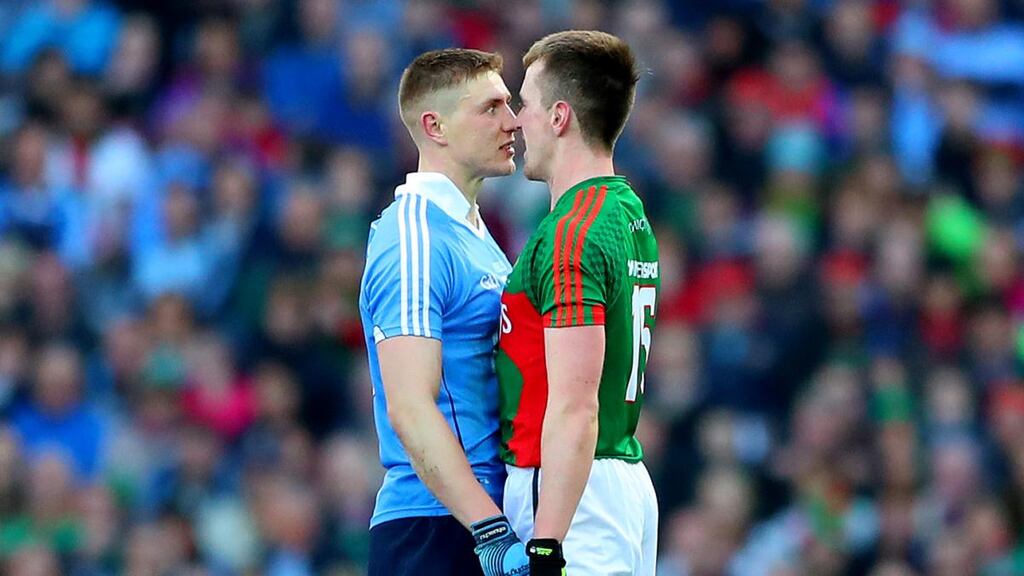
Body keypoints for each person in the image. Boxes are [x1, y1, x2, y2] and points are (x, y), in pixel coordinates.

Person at [359, 49, 529, 576]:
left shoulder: (476, 234)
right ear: (435, 127)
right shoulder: (410, 235)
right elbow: (410, 406)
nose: (513, 121)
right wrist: (490, 529)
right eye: (491, 108)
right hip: (437, 528)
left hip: (480, 518)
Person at [496, 30, 660, 575]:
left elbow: (574, 402)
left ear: (560, 116)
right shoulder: (627, 214)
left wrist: (547, 543)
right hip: (618, 483)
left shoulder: (573, 232)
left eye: (524, 104)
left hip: (571, 495)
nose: (517, 121)